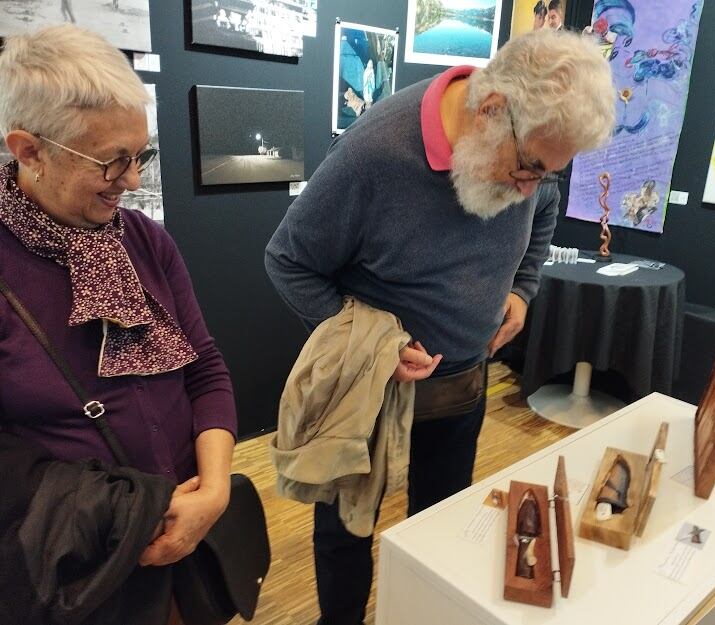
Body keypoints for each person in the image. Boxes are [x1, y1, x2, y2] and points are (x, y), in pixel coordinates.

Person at [265, 28, 615, 625]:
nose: (529, 187)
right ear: (491, 109)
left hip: (461, 384)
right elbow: (287, 261)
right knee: (348, 527)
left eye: (547, 173)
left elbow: (545, 206)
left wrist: (521, 288)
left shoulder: (533, 150)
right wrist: (375, 348)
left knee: (440, 525)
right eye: (528, 167)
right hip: (366, 393)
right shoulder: (376, 152)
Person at [0, 25, 237, 624]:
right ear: (28, 149)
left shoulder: (144, 240)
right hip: (76, 568)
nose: (133, 181)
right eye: (111, 162)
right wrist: (125, 515)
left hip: (186, 535)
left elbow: (204, 368)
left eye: (140, 155)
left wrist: (213, 492)